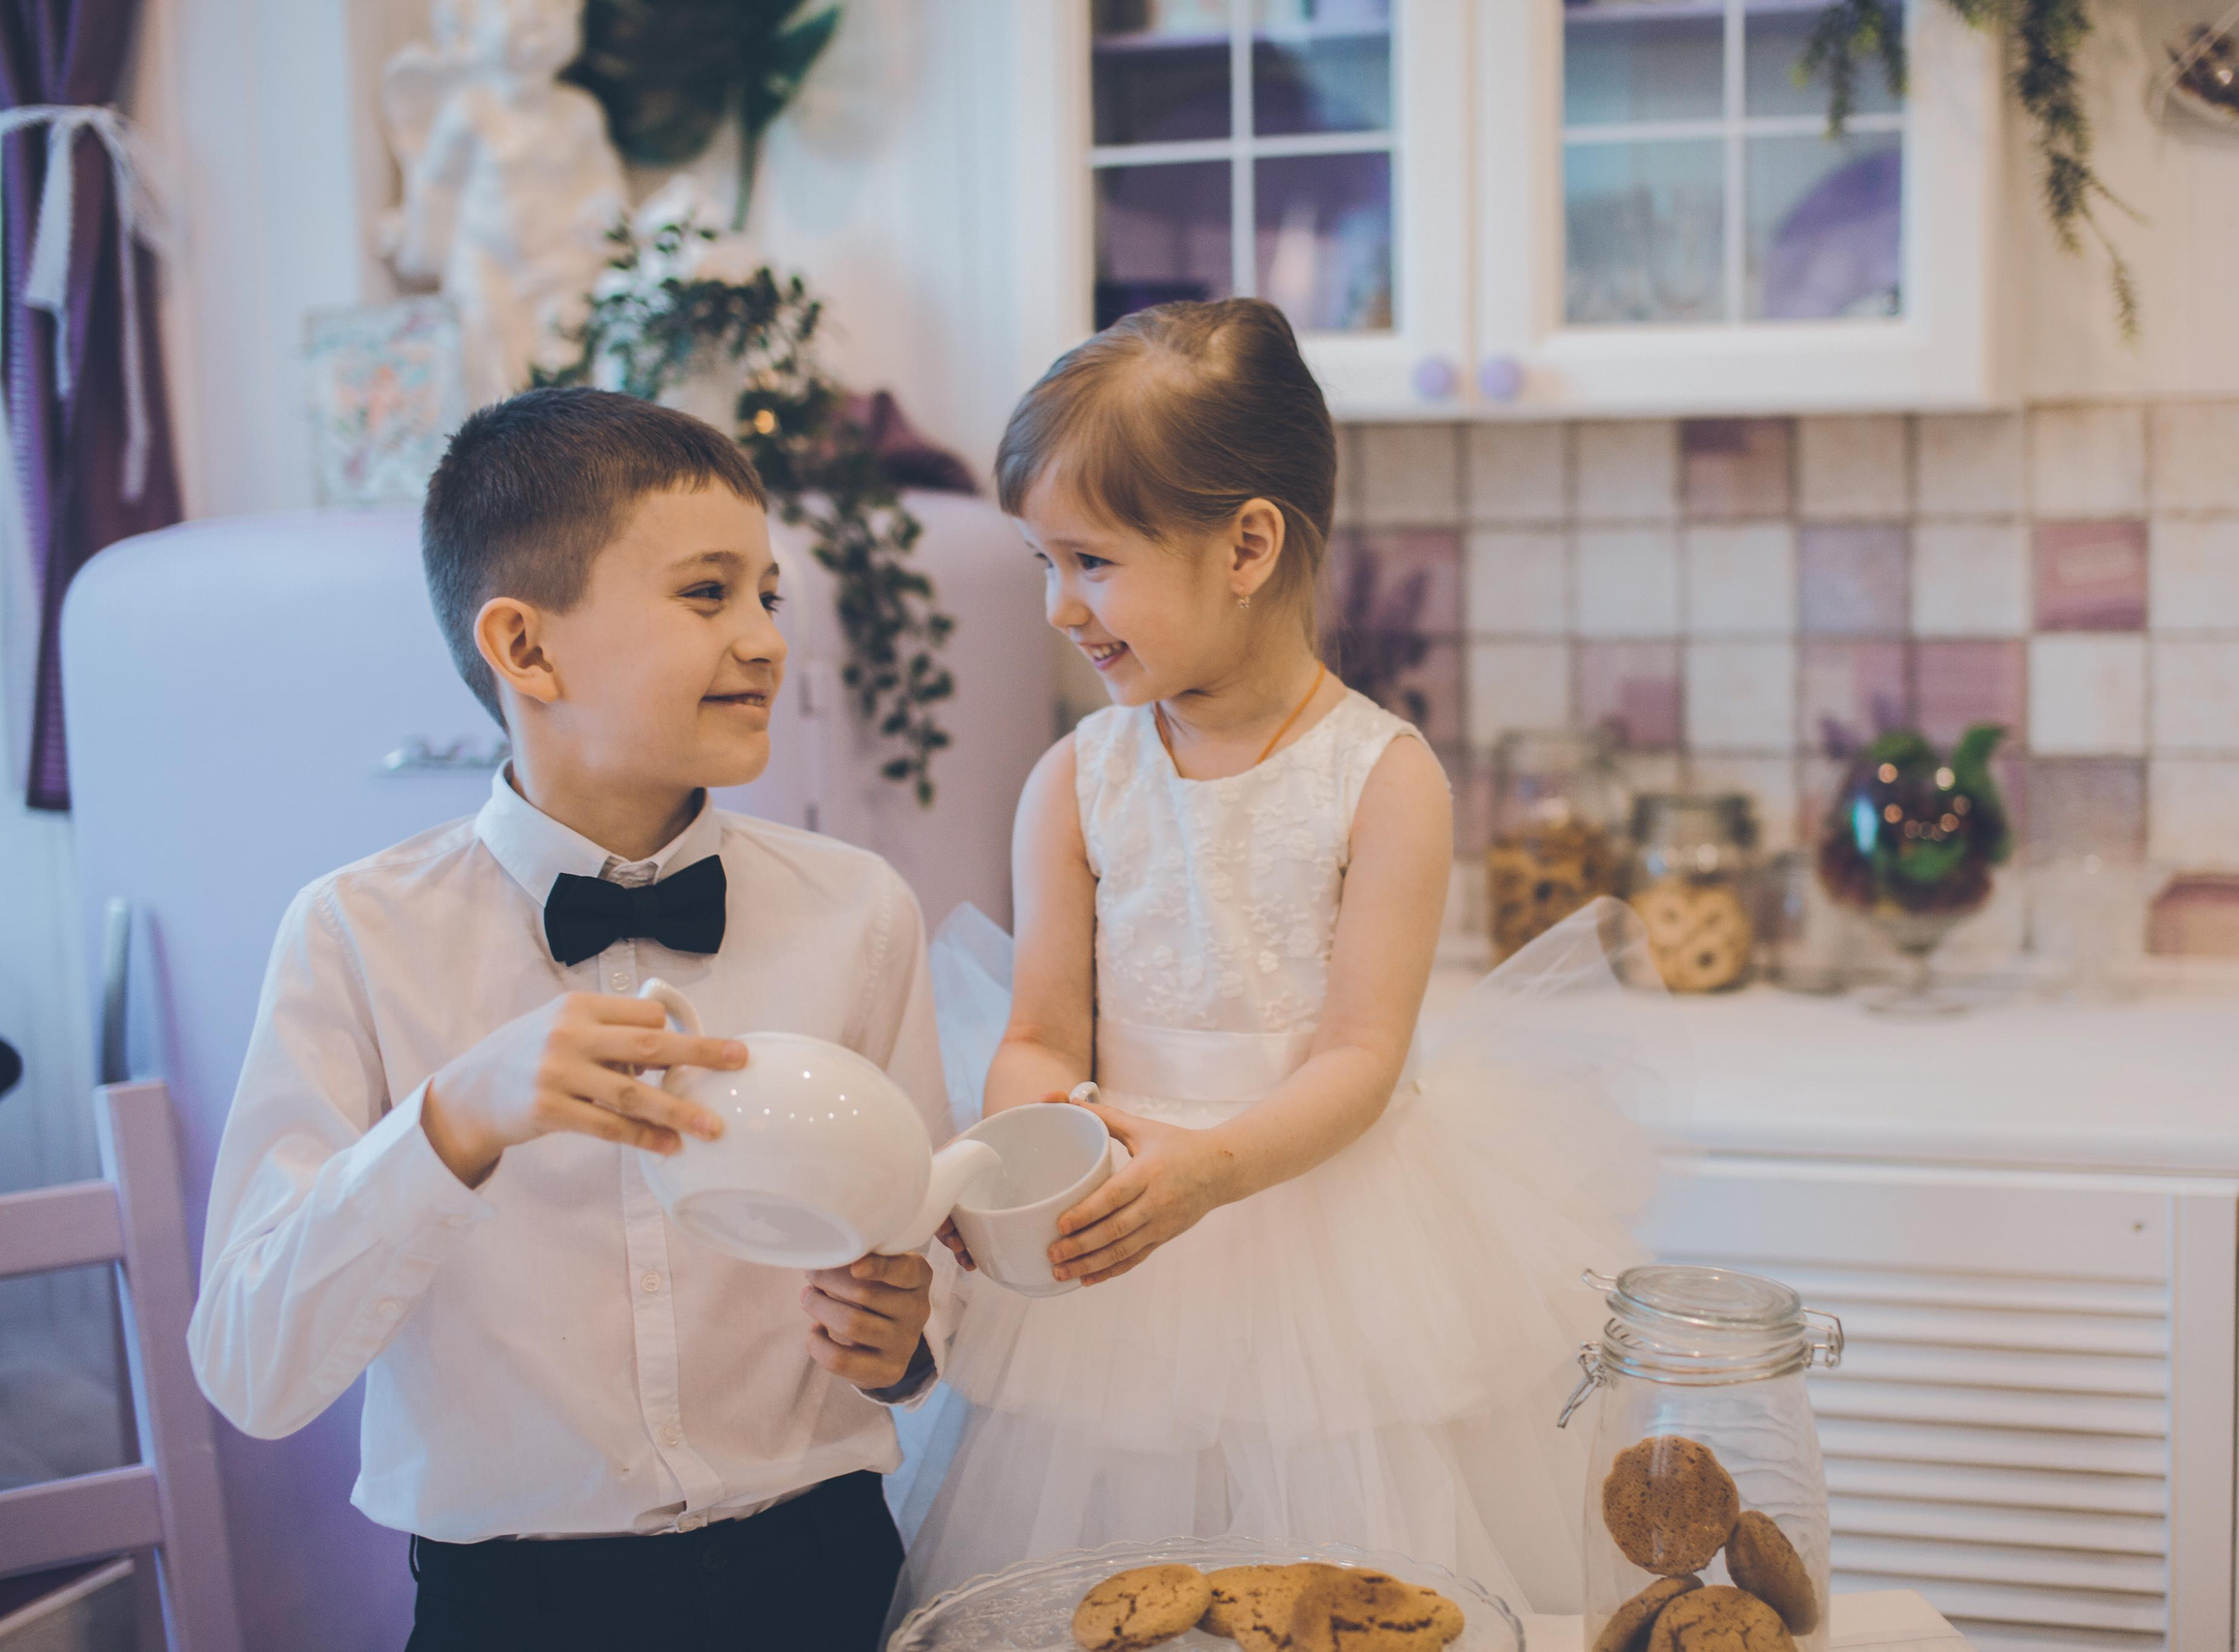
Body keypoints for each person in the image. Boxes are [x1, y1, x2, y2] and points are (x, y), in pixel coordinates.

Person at [903, 300, 1675, 1613]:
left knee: (1336, 1594)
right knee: (1110, 1597)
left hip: (1327, 1231)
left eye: (1090, 561)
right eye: (1043, 561)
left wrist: (1209, 1169)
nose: (1056, 607)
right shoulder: (1071, 782)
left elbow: (1363, 1057)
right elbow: (1038, 1032)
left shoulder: (1383, 779)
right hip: (1116, 1253)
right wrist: (1039, 1147)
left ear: (1248, 543)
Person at [186, 388, 953, 1652]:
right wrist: (455, 1120)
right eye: (707, 594)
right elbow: (255, 1368)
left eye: (767, 595)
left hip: (828, 1569)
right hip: (514, 1608)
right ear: (526, 649)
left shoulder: (860, 914)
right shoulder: (354, 938)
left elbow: (934, 1276)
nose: (765, 639)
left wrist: (905, 1341)